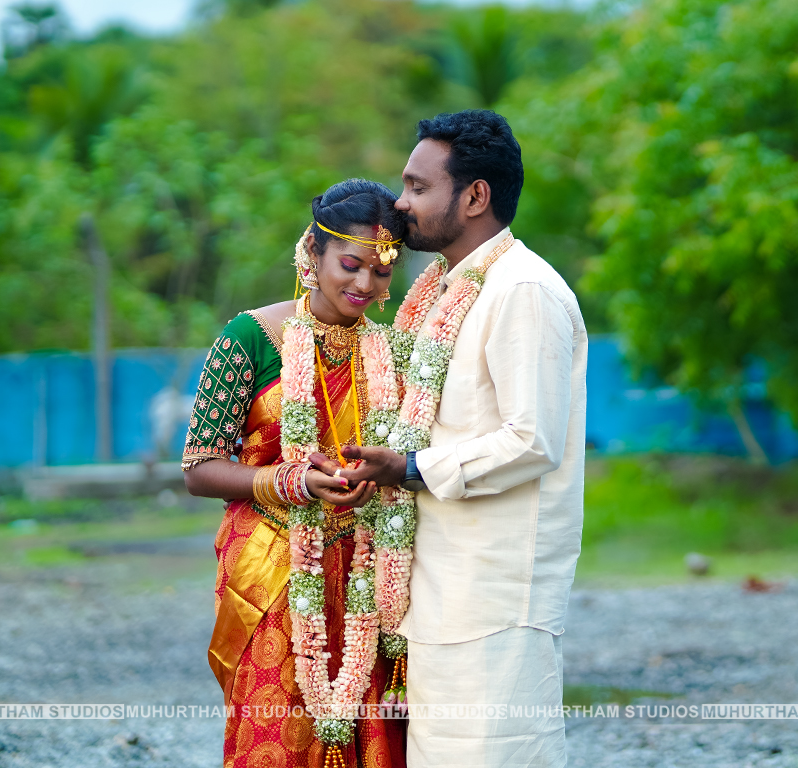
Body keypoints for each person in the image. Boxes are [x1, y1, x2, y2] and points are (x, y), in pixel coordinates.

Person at [308, 110, 588, 767]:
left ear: (475, 196)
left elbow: (532, 439)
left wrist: (409, 467)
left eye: (416, 187)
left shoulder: (524, 291)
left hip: (494, 594)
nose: (400, 205)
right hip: (438, 589)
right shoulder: (437, 291)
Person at [182, 179, 408, 768]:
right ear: (313, 253)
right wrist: (286, 481)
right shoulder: (251, 337)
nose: (365, 285)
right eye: (352, 265)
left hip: (367, 568)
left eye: (381, 272)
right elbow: (199, 467)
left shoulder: (393, 352)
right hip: (272, 565)